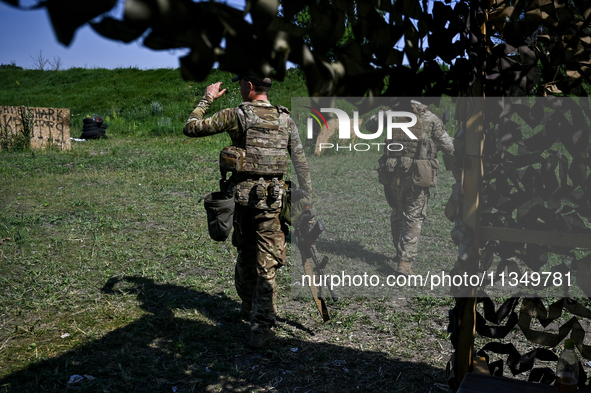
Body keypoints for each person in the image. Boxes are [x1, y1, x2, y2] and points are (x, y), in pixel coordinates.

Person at [183, 74, 312, 348]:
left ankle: (248, 307)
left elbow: (191, 127)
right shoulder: (286, 119)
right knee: (267, 264)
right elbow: (300, 163)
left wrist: (208, 97)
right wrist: (306, 201)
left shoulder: (236, 114)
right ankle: (261, 327)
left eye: (241, 83)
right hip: (273, 203)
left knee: (245, 251)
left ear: (249, 86)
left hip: (241, 201)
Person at [374, 100, 454, 276]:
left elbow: (370, 126)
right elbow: (449, 146)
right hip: (417, 173)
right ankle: (405, 262)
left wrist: (384, 109)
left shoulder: (391, 114)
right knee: (413, 216)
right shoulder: (430, 117)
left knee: (397, 211)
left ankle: (398, 252)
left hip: (393, 171)